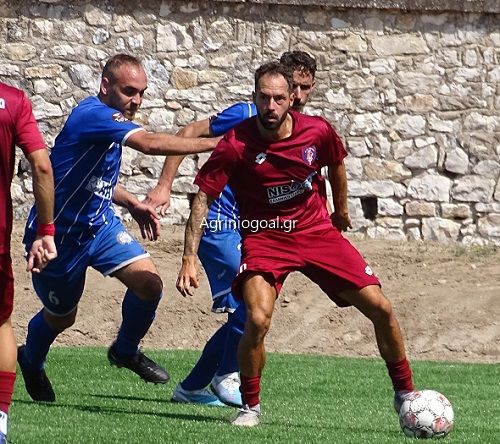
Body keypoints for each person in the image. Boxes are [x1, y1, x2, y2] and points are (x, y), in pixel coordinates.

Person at [176, 61, 416, 427]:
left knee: (380, 307)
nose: (270, 106)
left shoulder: (317, 131)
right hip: (264, 238)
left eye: (278, 98)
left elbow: (336, 164)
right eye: (263, 98)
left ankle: (406, 394)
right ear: (254, 97)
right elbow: (203, 198)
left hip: (316, 232)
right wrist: (188, 257)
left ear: (292, 98)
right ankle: (250, 406)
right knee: (256, 318)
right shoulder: (235, 144)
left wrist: (341, 211)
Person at [16, 53, 221, 404]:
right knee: (62, 317)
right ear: (105, 85)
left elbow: (94, 180)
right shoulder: (94, 115)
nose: (136, 100)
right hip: (59, 237)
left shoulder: (111, 127)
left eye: (141, 93)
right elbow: (150, 143)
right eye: (129, 91)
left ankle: (125, 350)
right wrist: (219, 143)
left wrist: (132, 204)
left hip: (100, 226)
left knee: (150, 285)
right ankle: (31, 360)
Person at [145, 52, 317, 407]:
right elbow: (188, 132)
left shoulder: (300, 131)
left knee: (251, 310)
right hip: (219, 223)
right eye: (293, 86)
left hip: (254, 231)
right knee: (251, 308)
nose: (299, 95)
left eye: (305, 88)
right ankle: (223, 375)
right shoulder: (245, 115)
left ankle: (193, 387)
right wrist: (164, 186)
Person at [0, 82, 57, 443]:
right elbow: (42, 166)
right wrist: (45, 230)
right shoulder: (13, 101)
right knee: (1, 324)